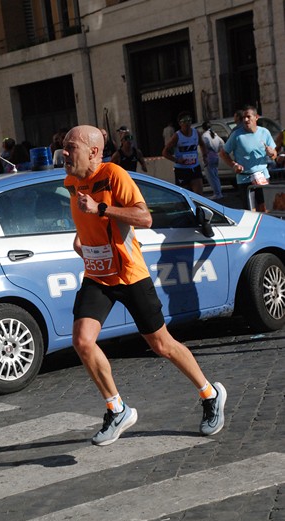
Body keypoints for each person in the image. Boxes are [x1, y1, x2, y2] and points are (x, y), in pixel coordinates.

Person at [62, 124, 226, 446]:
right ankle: (117, 408)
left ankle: (209, 394)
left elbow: (144, 217)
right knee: (82, 341)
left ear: (93, 152)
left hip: (129, 274)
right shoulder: (71, 181)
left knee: (161, 344)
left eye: (71, 147)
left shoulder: (115, 176)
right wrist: (81, 237)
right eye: (64, 147)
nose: (64, 153)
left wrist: (102, 209)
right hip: (97, 275)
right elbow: (84, 217)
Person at [220, 105, 277, 208]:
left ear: (256, 117)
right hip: (244, 179)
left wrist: (272, 153)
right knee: (250, 211)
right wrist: (233, 165)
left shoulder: (265, 132)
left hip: (262, 177)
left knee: (265, 209)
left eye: (248, 117)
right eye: (243, 118)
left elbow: (274, 155)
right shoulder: (237, 135)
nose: (245, 120)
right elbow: (223, 153)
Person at [162, 111, 208, 195]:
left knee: (199, 196)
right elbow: (165, 152)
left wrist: (205, 156)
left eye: (189, 121)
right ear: (180, 123)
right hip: (182, 170)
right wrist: (177, 160)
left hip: (194, 167)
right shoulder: (177, 136)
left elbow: (202, 144)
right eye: (184, 121)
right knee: (185, 196)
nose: (187, 124)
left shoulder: (196, 133)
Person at [201, 121, 224, 200]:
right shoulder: (215, 134)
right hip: (216, 156)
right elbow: (222, 143)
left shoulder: (204, 136)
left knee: (211, 176)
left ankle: (217, 193)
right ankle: (219, 192)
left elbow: (204, 145)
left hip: (209, 156)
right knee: (215, 175)